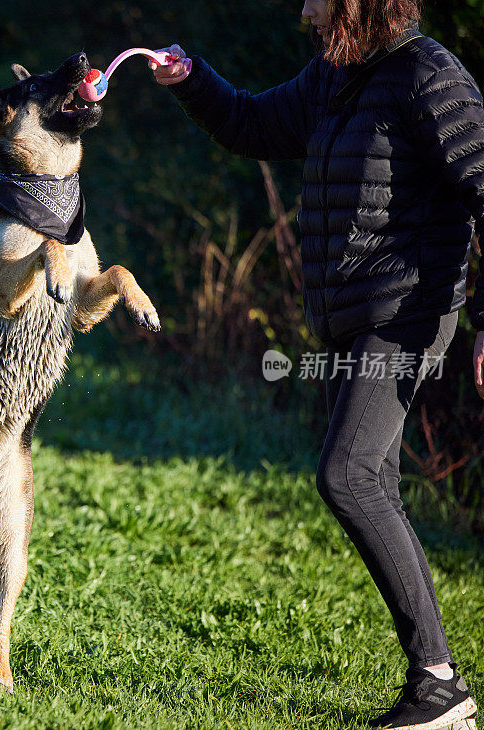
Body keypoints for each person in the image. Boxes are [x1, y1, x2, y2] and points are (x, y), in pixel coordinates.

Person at [151, 1, 482, 728]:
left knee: (348, 475)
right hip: (352, 318)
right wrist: (190, 79)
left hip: (406, 314)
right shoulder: (335, 74)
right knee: (372, 482)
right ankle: (438, 684)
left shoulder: (431, 76)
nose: (305, 9)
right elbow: (252, 124)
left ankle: (440, 682)